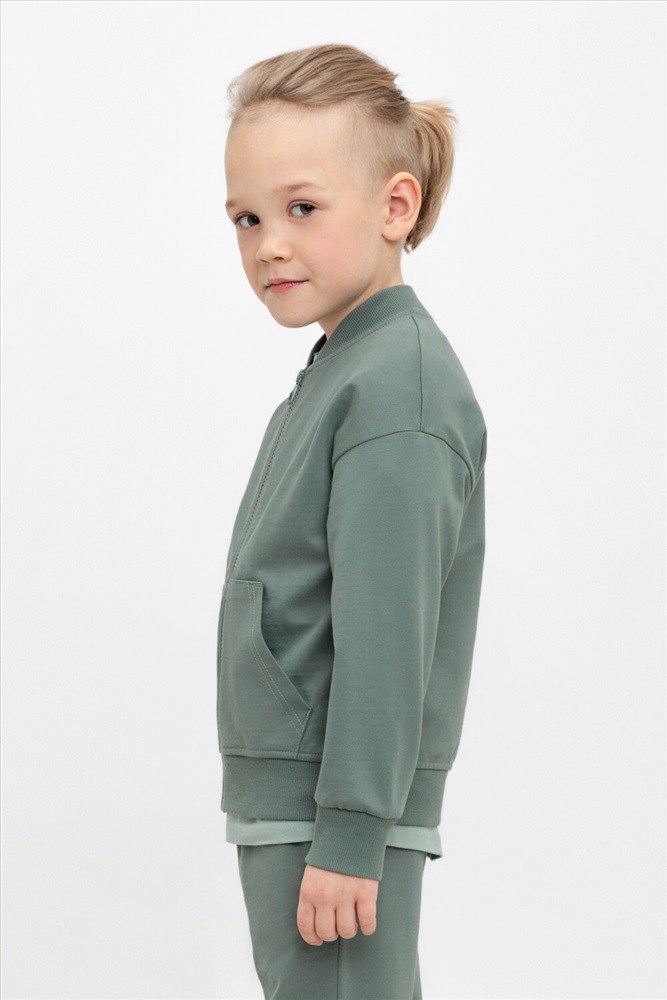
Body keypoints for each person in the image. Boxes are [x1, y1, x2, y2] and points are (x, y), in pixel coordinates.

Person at [216, 43, 487, 1000]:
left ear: (394, 207)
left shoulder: (394, 389)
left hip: (330, 819)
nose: (267, 245)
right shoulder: (347, 370)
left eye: (300, 208)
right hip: (304, 805)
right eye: (246, 217)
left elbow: (387, 632)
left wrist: (351, 833)